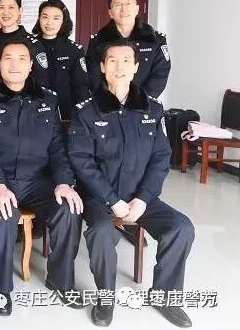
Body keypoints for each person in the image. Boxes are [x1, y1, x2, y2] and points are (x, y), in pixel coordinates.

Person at [69, 39, 194, 328]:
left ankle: (165, 297)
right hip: (100, 198)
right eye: (112, 60)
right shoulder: (86, 111)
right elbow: (81, 161)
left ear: (136, 67)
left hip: (141, 196)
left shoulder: (153, 109)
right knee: (101, 231)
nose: (120, 67)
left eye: (126, 61)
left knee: (181, 227)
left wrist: (143, 199)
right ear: (102, 67)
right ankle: (106, 299)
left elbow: (161, 157)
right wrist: (112, 200)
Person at [0, 37, 84, 317]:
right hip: (0, 180)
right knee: (3, 214)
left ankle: (61, 281)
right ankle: (1, 289)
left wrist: (64, 182)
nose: (15, 65)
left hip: (38, 181)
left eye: (22, 59)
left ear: (31, 65)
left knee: (69, 209)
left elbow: (57, 147)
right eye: (8, 58)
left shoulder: (47, 100)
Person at [85, 0, 170, 98]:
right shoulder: (99, 40)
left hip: (144, 103)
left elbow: (160, 74)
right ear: (110, 12)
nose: (123, 9)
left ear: (137, 9)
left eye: (128, 4)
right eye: (117, 5)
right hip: (107, 103)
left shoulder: (155, 39)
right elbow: (94, 76)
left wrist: (140, 101)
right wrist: (110, 101)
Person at [31, 0, 90, 120]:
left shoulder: (74, 50)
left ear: (64, 21)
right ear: (39, 18)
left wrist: (82, 117)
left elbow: (81, 88)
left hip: (64, 113)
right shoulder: (28, 46)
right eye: (45, 17)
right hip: (33, 111)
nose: (49, 23)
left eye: (56, 18)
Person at [0, 0, 50, 88]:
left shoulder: (33, 43)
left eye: (11, 7)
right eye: (1, 7)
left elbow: (41, 82)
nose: (6, 12)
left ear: (20, 10)